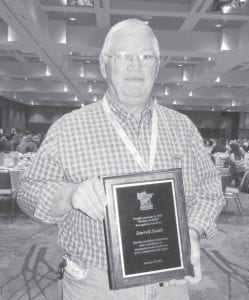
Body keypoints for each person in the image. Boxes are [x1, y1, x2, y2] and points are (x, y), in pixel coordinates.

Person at [17, 19, 225, 300]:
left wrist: (193, 231)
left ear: (157, 65)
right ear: (105, 64)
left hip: (171, 282)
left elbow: (209, 191)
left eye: (146, 57)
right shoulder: (69, 128)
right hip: (96, 285)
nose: (135, 66)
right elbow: (28, 192)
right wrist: (70, 194)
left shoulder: (182, 128)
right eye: (124, 57)